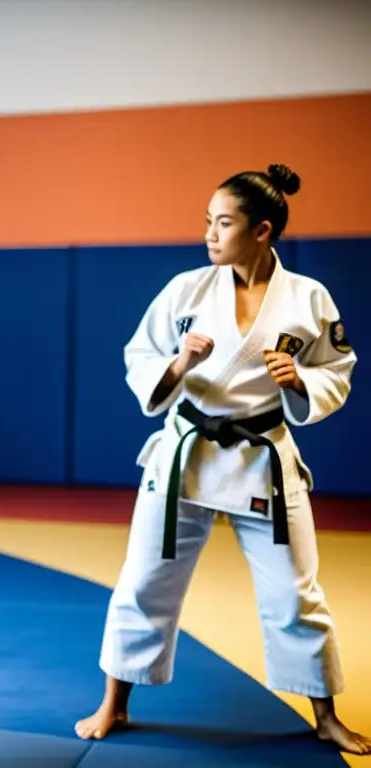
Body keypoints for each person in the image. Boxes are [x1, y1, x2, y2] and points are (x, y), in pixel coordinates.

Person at [74, 164, 370, 755]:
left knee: (294, 592)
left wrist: (301, 378)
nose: (210, 233)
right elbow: (140, 355)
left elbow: (338, 369)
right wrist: (178, 365)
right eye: (207, 221)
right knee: (143, 581)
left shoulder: (309, 299)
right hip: (186, 455)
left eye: (224, 222)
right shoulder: (186, 290)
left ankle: (324, 715)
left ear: (262, 231)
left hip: (262, 458)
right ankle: (114, 702)